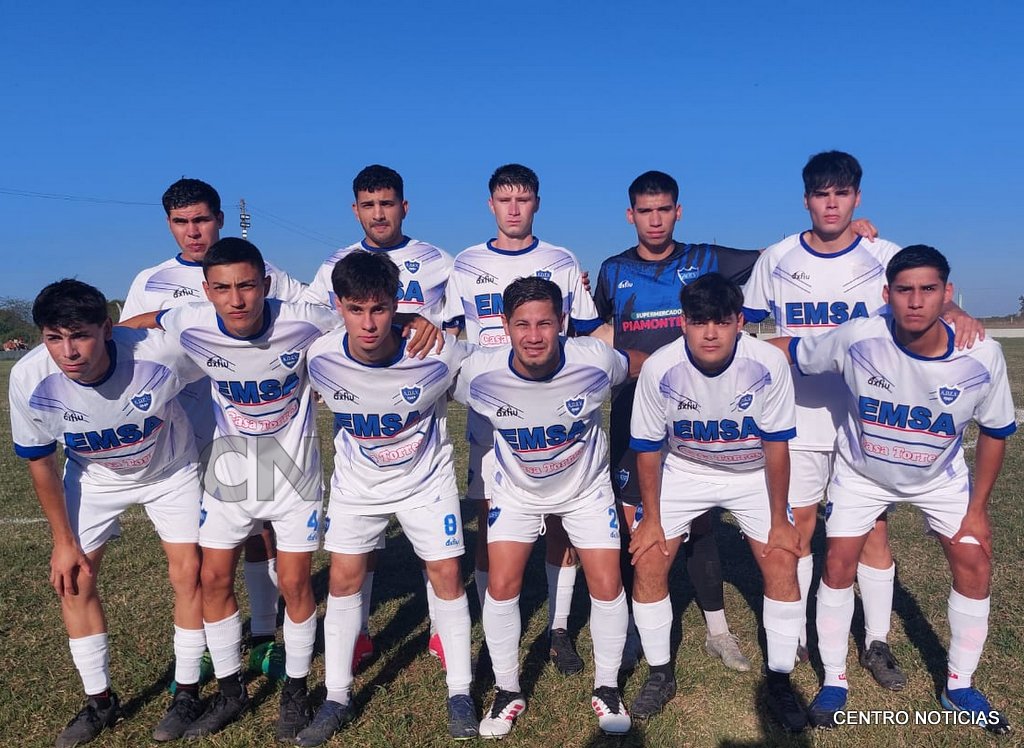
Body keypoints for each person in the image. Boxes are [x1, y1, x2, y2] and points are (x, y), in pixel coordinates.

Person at [742, 151, 982, 678]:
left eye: (842, 193)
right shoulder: (778, 257)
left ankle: (876, 639)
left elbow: (928, 293)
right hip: (800, 416)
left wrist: (958, 310)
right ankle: (799, 633)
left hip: (872, 420)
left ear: (858, 197)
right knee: (800, 525)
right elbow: (747, 325)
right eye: (821, 194)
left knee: (873, 529)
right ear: (806, 200)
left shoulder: (883, 253)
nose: (832, 204)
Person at [770, 245, 1014, 733]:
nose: (915, 301)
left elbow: (995, 431)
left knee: (975, 562)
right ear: (887, 295)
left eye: (928, 289)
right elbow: (791, 349)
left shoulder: (981, 354)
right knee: (838, 564)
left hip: (939, 479)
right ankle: (834, 680)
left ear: (947, 294)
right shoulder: (858, 337)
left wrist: (978, 509)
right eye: (904, 290)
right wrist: (719, 348)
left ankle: (959, 685)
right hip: (862, 475)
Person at [123, 238, 340, 741]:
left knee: (296, 584)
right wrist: (99, 338)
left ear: (266, 283)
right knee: (212, 579)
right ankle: (230, 691)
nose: (236, 299)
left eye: (246, 286)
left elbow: (361, 320)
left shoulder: (307, 319)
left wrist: (409, 321)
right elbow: (145, 322)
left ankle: (295, 690)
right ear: (206, 291)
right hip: (230, 474)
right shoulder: (190, 320)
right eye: (222, 288)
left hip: (293, 475)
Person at [122, 178, 310, 679]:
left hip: (248, 428)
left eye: (202, 219)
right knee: (199, 550)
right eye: (181, 222)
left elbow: (311, 316)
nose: (193, 231)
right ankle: (206, 641)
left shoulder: (262, 271)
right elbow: (130, 342)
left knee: (261, 531)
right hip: (181, 432)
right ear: (168, 225)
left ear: (220, 219)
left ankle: (265, 633)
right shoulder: (151, 281)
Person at [9, 279, 207, 744]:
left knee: (188, 574)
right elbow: (41, 462)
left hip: (171, 471)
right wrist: (63, 542)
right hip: (93, 478)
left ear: (107, 329)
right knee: (73, 580)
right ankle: (99, 701)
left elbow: (227, 346)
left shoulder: (159, 354)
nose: (68, 351)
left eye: (80, 335)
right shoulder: (29, 378)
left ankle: (187, 691)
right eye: (54, 338)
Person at [297, 251, 476, 745]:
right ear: (339, 306)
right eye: (356, 310)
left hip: (426, 483)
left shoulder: (436, 351)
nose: (369, 323)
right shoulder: (319, 355)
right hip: (357, 486)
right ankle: (336, 697)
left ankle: (460, 691)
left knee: (446, 575)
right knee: (342, 579)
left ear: (396, 305)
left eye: (379, 309)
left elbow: (491, 369)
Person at [453, 276, 642, 738]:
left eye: (544, 323)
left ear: (562, 323)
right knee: (501, 587)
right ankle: (507, 690)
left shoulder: (594, 359)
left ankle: (607, 687)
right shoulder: (478, 372)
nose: (534, 335)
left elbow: (640, 365)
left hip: (585, 490)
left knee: (607, 584)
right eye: (522, 324)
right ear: (505, 326)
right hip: (516, 492)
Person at [593, 170, 767, 672]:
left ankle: (717, 630)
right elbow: (595, 328)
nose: (655, 220)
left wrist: (844, 233)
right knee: (634, 521)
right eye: (645, 211)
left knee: (700, 519)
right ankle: (634, 629)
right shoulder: (612, 270)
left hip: (697, 411)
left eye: (664, 209)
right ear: (631, 215)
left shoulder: (707, 260)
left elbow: (776, 257)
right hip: (635, 410)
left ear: (678, 211)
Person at [443, 164, 609, 675]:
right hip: (491, 413)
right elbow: (448, 334)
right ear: (490, 204)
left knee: (560, 518)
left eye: (523, 199)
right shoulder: (466, 263)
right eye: (504, 200)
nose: (513, 209)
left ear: (536, 203)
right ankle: (491, 617)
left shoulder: (562, 261)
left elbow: (589, 332)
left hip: (553, 410)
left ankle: (558, 628)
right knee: (488, 519)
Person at [627, 273, 806, 730]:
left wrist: (780, 519)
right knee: (649, 558)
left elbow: (777, 446)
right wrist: (651, 519)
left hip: (751, 474)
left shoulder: (768, 362)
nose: (710, 333)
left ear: (739, 322)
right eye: (700, 321)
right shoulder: (660, 368)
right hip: (686, 470)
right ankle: (660, 672)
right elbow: (647, 449)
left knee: (782, 560)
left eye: (722, 322)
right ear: (683, 323)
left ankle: (780, 680)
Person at [304, 164, 455, 671]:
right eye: (368, 205)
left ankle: (441, 630)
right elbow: (316, 324)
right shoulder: (334, 265)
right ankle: (359, 633)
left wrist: (421, 323)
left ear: (403, 206)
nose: (378, 214)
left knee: (439, 547)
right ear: (355, 211)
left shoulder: (437, 261)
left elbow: (458, 324)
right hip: (361, 407)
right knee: (356, 544)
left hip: (417, 397)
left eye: (387, 203)